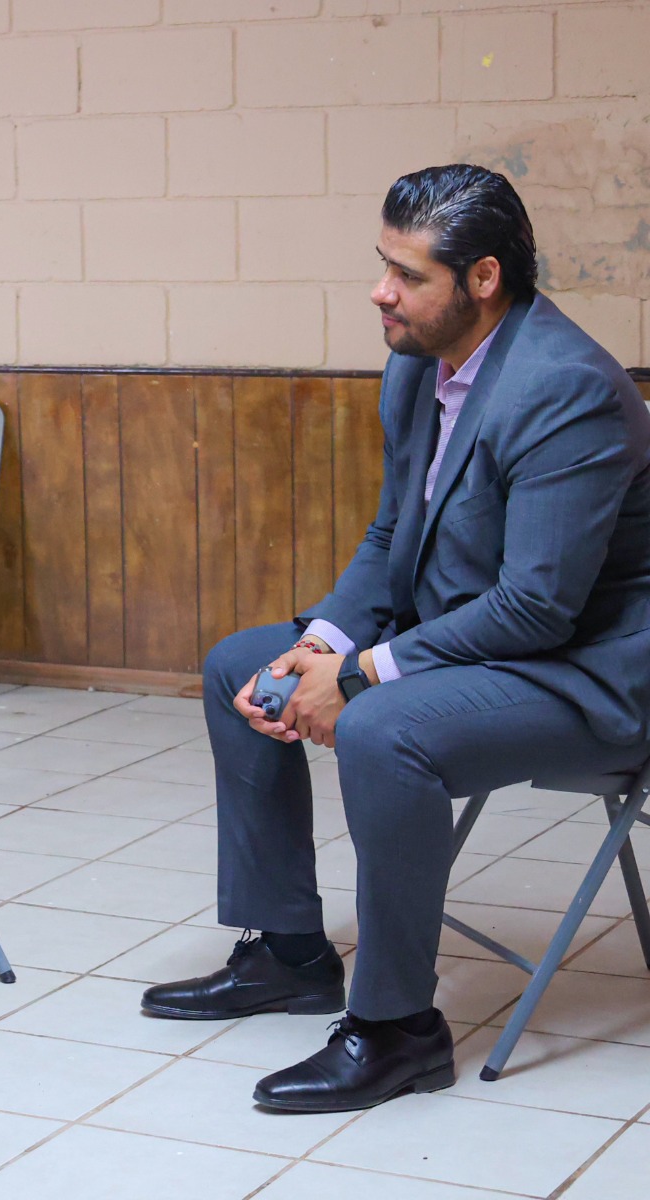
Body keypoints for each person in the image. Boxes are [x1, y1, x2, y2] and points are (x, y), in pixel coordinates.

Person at [141, 164, 650, 1113]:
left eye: (408, 275)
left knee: (383, 730)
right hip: (473, 639)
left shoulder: (566, 389)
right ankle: (290, 953)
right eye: (383, 265)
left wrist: (361, 675)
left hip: (584, 673)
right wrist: (323, 644)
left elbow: (538, 610)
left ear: (483, 278)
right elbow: (392, 537)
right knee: (237, 668)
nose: (381, 291)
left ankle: (396, 1029)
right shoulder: (419, 362)